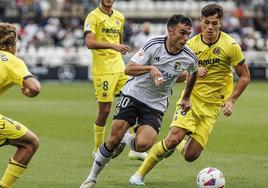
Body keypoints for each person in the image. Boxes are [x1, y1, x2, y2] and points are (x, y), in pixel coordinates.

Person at [129, 3, 251, 186]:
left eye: (214, 23)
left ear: (221, 23)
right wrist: (190, 74)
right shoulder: (190, 46)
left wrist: (231, 100)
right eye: (206, 22)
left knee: (190, 155)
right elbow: (174, 75)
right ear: (200, 22)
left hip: (212, 108)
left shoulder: (230, 45)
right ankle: (138, 175)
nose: (210, 27)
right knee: (173, 138)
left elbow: (245, 77)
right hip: (190, 101)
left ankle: (177, 143)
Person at [80, 14, 198, 188]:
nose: (186, 38)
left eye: (188, 34)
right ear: (170, 30)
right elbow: (129, 69)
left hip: (156, 104)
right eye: (182, 33)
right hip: (133, 95)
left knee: (142, 145)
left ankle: (127, 138)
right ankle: (91, 178)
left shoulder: (189, 57)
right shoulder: (154, 44)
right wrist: (151, 68)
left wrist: (186, 97)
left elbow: (193, 73)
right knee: (112, 140)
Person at [83, 0, 133, 159]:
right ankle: (97, 149)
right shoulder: (92, 17)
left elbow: (119, 41)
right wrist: (114, 46)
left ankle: (132, 147)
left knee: (130, 104)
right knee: (105, 110)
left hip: (120, 68)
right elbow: (89, 43)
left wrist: (118, 47)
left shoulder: (120, 17)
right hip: (103, 70)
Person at [0, 22, 41, 188]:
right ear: (13, 44)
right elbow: (35, 87)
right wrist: (29, 93)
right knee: (30, 143)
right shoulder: (12, 60)